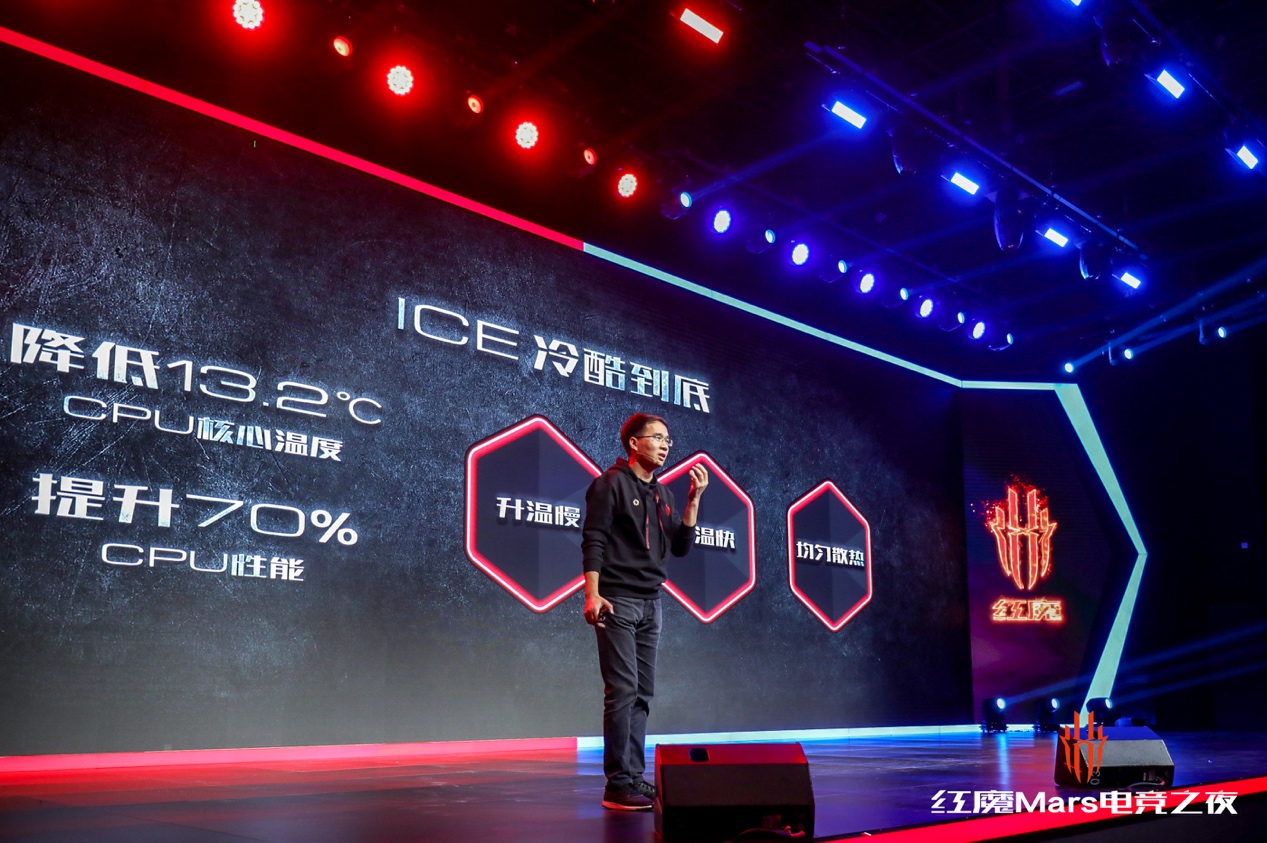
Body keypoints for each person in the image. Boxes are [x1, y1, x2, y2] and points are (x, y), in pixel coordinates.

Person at [581, 412, 708, 811]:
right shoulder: (610, 484)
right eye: (657, 437)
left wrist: (693, 500)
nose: (666, 445)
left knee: (642, 694)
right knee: (622, 690)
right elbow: (594, 539)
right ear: (634, 443)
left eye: (668, 439)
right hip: (616, 600)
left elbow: (681, 547)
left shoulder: (664, 494)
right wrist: (592, 593)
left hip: (652, 603)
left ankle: (634, 777)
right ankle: (617, 784)